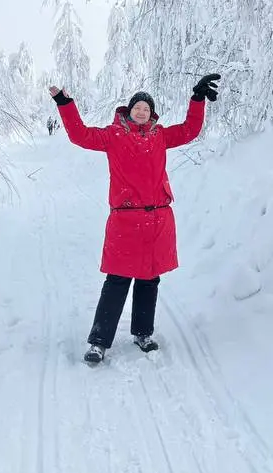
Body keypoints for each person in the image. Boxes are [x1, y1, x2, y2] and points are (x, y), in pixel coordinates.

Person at [48, 73, 221, 364]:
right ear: (129, 111)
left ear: (151, 113)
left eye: (146, 108)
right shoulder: (113, 136)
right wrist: (65, 103)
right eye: (137, 107)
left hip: (157, 220)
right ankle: (99, 342)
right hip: (126, 220)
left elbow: (190, 130)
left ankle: (143, 333)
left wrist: (197, 99)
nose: (141, 111)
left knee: (149, 280)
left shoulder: (160, 136)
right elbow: (80, 135)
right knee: (117, 280)